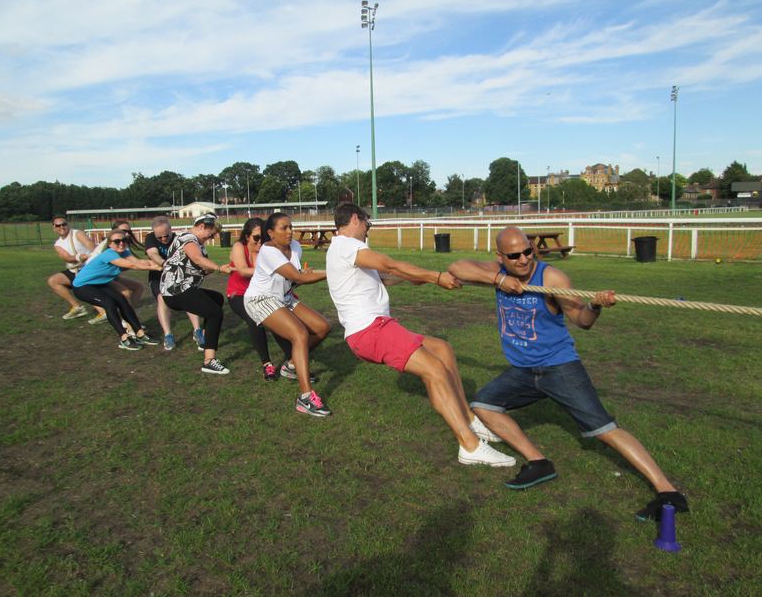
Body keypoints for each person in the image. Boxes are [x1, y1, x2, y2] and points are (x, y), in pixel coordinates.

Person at [448, 226, 689, 520]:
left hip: (559, 368)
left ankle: (668, 492)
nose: (523, 259)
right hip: (524, 370)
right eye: (514, 255)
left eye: (528, 251)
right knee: (484, 405)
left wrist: (595, 305)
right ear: (500, 256)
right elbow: (457, 268)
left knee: (604, 430)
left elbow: (582, 320)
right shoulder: (498, 271)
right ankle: (539, 462)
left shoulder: (551, 278)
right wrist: (499, 279)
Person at [325, 203, 515, 467]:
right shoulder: (346, 245)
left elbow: (386, 275)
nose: (368, 229)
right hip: (370, 330)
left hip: (377, 326)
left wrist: (419, 278)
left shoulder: (345, 251)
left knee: (442, 349)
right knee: (435, 370)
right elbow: (389, 263)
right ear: (356, 219)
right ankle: (469, 446)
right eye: (368, 223)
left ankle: (470, 420)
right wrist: (436, 277)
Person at [244, 213, 331, 415]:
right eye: (284, 228)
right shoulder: (268, 251)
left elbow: (296, 279)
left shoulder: (295, 247)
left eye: (291, 227)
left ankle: (291, 365)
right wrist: (333, 272)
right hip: (260, 300)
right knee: (299, 334)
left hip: (284, 296)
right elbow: (295, 275)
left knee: (322, 327)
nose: (290, 231)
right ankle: (306, 398)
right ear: (271, 233)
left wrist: (309, 274)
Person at [160, 213, 233, 374]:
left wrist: (227, 267)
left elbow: (202, 267)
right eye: (211, 233)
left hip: (182, 289)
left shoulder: (197, 242)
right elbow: (197, 259)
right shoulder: (188, 239)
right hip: (176, 291)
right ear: (201, 226)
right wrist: (219, 268)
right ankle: (209, 360)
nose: (211, 237)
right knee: (215, 313)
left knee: (216, 299)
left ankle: (205, 342)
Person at [226, 218, 293, 381]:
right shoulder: (238, 246)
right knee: (255, 318)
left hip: (265, 293)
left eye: (262, 237)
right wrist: (272, 269)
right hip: (239, 293)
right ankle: (267, 364)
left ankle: (292, 359)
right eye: (256, 237)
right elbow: (242, 271)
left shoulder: (268, 248)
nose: (259, 241)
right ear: (247, 236)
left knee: (277, 316)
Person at [72, 230, 161, 350]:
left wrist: (161, 263)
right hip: (82, 286)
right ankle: (124, 338)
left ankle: (140, 334)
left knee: (123, 300)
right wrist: (156, 268)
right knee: (109, 303)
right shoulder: (109, 254)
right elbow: (132, 265)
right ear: (109, 244)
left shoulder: (124, 252)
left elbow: (139, 262)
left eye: (124, 240)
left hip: (100, 283)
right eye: (117, 241)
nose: (121, 243)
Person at [145, 216, 204, 351]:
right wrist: (164, 263)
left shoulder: (178, 239)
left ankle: (197, 330)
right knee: (162, 298)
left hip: (178, 275)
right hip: (158, 276)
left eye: (166, 236)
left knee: (189, 296)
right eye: (160, 237)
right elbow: (153, 254)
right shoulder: (150, 238)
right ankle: (168, 335)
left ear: (171, 230)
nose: (164, 239)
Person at [47, 216, 102, 322]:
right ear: (54, 228)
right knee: (53, 281)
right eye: (58, 225)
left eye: (64, 224)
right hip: (75, 270)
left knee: (82, 288)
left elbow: (89, 244)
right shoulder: (58, 244)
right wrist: (78, 257)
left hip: (89, 268)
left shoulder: (77, 233)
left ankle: (103, 311)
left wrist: (93, 255)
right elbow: (66, 257)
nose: (62, 227)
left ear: (68, 225)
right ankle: (77, 307)